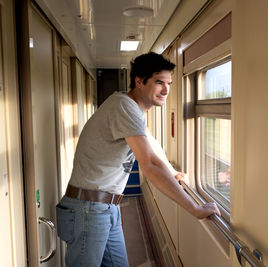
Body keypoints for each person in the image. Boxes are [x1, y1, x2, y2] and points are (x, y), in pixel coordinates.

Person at [56, 52, 220, 267]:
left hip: (107, 207)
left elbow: (151, 147)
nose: (166, 89)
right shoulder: (123, 107)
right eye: (159, 82)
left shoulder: (133, 110)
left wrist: (172, 173)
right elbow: (149, 164)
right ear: (139, 81)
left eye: (169, 83)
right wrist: (195, 209)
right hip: (89, 210)